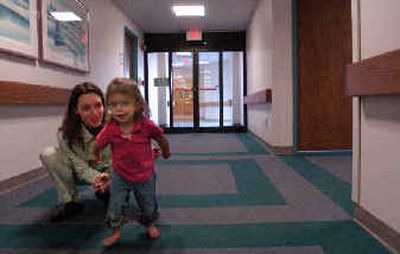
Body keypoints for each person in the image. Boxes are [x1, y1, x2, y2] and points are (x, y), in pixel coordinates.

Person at [93, 78, 170, 246]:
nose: (118, 109)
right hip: (120, 174)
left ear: (136, 104)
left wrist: (165, 152)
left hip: (145, 174)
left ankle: (149, 224)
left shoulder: (145, 125)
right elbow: (97, 144)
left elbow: (161, 137)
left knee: (148, 203)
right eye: (113, 105)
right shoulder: (110, 129)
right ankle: (116, 231)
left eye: (124, 103)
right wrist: (96, 156)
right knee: (116, 204)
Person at [40, 82, 112, 222]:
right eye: (86, 108)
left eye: (98, 105)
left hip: (110, 172)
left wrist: (148, 151)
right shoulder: (66, 135)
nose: (95, 113)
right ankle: (71, 202)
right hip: (81, 173)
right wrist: (98, 179)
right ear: (76, 110)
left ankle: (106, 193)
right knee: (49, 154)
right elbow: (81, 168)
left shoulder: (116, 125)